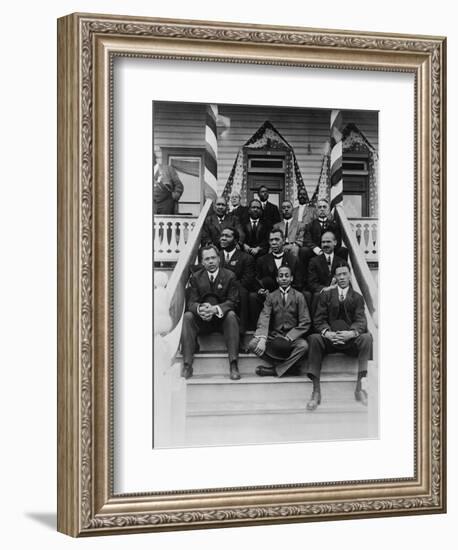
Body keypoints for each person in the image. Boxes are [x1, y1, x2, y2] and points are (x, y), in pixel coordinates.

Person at [306, 262, 373, 410]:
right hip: (330, 340)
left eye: (345, 274)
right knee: (314, 339)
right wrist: (327, 333)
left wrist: (351, 333)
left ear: (350, 275)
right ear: (335, 277)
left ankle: (360, 387)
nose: (342, 277)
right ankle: (316, 391)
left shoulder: (357, 297)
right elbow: (319, 320)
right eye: (339, 274)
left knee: (367, 338)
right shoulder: (326, 295)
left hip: (350, 340)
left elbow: (361, 320)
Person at [180, 245, 241, 380]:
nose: (211, 261)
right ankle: (187, 364)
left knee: (231, 315)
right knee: (188, 316)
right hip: (203, 320)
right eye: (207, 259)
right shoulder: (196, 277)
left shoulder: (230, 276)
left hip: (222, 320)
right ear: (202, 262)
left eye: (213, 258)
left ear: (219, 259)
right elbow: (191, 303)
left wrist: (215, 309)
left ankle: (233, 363)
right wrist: (200, 308)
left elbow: (233, 301)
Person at [248, 265, 311, 377]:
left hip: (292, 337)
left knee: (304, 346)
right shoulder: (271, 297)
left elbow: (305, 321)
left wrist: (290, 336)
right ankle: (288, 367)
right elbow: (265, 316)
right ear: (277, 279)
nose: (284, 278)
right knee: (253, 345)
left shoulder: (299, 296)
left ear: (291, 278)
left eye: (287, 276)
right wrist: (262, 338)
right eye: (281, 276)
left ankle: (275, 370)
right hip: (275, 335)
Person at [248, 228, 302, 329]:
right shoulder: (261, 260)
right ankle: (259, 329)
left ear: (283, 241)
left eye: (277, 239)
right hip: (268, 295)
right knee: (253, 296)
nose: (273, 243)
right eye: (271, 240)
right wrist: (260, 290)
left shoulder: (293, 259)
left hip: (288, 294)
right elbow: (256, 280)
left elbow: (299, 283)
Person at [219, 227, 255, 334]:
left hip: (236, 291)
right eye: (222, 235)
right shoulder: (216, 256)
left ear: (235, 241)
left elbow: (247, 280)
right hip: (217, 289)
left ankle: (241, 330)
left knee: (243, 292)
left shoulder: (246, 258)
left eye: (227, 236)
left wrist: (229, 288)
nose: (223, 238)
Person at [301, 198, 348, 265]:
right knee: (304, 250)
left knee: (343, 250)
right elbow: (307, 241)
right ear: (316, 210)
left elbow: (338, 242)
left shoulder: (334, 225)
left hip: (331, 250)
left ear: (328, 210)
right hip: (315, 251)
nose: (322, 209)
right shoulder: (310, 225)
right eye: (319, 207)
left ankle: (341, 272)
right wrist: (317, 250)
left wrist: (328, 249)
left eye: (324, 207)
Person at [307, 231, 344, 311]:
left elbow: (344, 280)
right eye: (323, 242)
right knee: (317, 296)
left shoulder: (341, 261)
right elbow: (312, 283)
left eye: (328, 242)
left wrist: (334, 288)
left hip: (337, 292)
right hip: (321, 293)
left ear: (335, 242)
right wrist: (325, 289)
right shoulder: (314, 261)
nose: (325, 245)